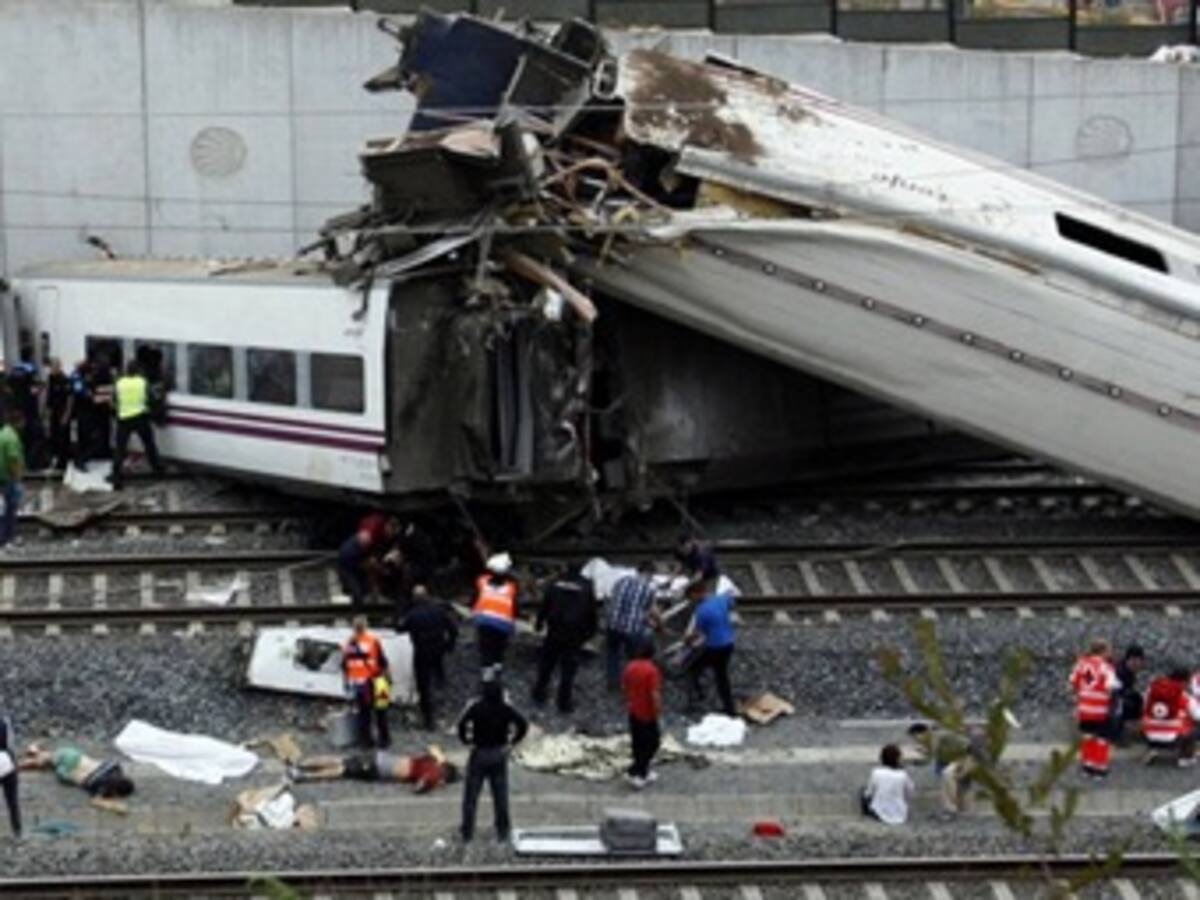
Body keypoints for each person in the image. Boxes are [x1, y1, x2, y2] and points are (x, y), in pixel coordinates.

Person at [457, 672, 529, 843]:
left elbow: (461, 724)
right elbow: (523, 724)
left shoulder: (477, 707)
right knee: (500, 795)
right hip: (498, 753)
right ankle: (502, 831)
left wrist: (467, 741)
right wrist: (511, 743)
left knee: (471, 796)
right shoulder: (505, 709)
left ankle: (467, 831)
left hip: (479, 753)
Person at [532, 562, 598, 714]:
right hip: (574, 634)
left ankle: (539, 693)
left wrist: (539, 623)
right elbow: (591, 611)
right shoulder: (586, 586)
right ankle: (564, 702)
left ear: (566, 568)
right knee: (568, 669)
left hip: (554, 630)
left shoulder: (555, 583)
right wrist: (590, 631)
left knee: (547, 664)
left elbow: (545, 604)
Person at [396, 585, 459, 731]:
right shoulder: (439, 611)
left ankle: (429, 719)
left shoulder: (413, 615)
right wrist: (449, 646)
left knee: (423, 686)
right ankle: (443, 707)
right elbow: (453, 630)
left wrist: (400, 613)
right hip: (438, 649)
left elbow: (399, 628)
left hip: (422, 651)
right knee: (438, 678)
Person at [289, 748, 459, 792]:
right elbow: (417, 789)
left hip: (380, 757)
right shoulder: (433, 777)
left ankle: (302, 764)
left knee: (340, 760)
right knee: (343, 770)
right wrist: (434, 785)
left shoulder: (432, 761)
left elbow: (431, 749)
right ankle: (304, 776)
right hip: (380, 769)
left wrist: (440, 758)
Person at [684, 577, 737, 717]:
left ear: (696, 593)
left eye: (691, 597)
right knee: (721, 675)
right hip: (729, 643)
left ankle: (697, 699)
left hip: (715, 647)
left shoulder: (701, 610)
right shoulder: (721, 599)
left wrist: (687, 640)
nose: (691, 601)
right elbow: (732, 602)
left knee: (693, 668)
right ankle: (729, 708)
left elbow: (698, 633)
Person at [1069, 638, 1120, 778]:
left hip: (1084, 708)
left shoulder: (1080, 664)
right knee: (1102, 738)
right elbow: (1111, 686)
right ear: (1103, 651)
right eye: (1109, 650)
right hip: (1100, 709)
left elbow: (1073, 682)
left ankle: (1087, 765)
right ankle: (1100, 766)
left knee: (1087, 736)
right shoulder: (1106, 667)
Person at [109, 361, 165, 490]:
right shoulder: (142, 382)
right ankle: (157, 469)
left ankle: (117, 477)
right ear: (138, 371)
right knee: (149, 445)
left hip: (124, 419)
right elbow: (151, 398)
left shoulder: (119, 383)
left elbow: (114, 401)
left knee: (120, 449)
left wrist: (119, 412)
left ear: (126, 371)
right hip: (141, 417)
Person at [606, 564, 659, 691]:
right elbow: (652, 612)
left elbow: (613, 600)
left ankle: (613, 682)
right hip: (632, 629)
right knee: (634, 657)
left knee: (613, 653)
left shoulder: (621, 581)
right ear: (649, 573)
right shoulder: (648, 589)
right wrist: (659, 625)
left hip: (613, 625)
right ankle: (631, 683)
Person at [342, 616, 391, 749]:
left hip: (360, 684)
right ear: (365, 626)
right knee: (381, 711)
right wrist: (388, 679)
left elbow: (345, 666)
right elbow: (383, 662)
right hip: (378, 680)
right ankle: (384, 740)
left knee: (364, 713)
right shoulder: (373, 641)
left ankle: (366, 741)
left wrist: (346, 684)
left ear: (353, 628)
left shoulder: (348, 644)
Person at [18, 743, 135, 798]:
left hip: (76, 756)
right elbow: (97, 798)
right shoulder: (98, 786)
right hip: (67, 770)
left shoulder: (113, 768)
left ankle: (34, 751)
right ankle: (24, 760)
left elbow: (114, 764)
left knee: (49, 758)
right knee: (43, 763)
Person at [335, 513, 400, 608]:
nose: (391, 536)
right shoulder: (370, 531)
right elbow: (365, 563)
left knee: (365, 587)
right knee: (357, 590)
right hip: (349, 563)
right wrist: (376, 566)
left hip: (362, 556)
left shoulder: (380, 535)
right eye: (391, 532)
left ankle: (368, 597)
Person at [622, 637, 662, 790]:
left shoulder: (630, 667)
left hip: (633, 710)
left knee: (638, 742)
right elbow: (654, 694)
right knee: (652, 743)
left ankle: (640, 770)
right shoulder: (652, 670)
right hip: (647, 713)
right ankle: (638, 772)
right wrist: (657, 710)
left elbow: (624, 686)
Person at [1142, 666, 1198, 767]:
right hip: (1174, 739)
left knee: (1150, 719)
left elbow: (1144, 706)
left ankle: (1152, 750)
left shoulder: (1151, 690)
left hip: (1148, 736)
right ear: (1184, 681)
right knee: (1194, 728)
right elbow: (1197, 715)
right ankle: (1185, 757)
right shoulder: (1184, 695)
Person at [471, 553, 519, 669]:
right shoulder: (511, 588)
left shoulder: (482, 582)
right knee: (499, 647)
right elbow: (515, 606)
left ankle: (487, 673)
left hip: (483, 620)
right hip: (504, 623)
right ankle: (497, 666)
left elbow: (474, 598)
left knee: (486, 649)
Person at [861, 744, 915, 825]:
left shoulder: (876, 772)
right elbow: (910, 792)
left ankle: (867, 812)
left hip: (879, 812)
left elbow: (869, 793)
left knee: (863, 791)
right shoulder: (903, 775)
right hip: (900, 814)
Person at [0, 409, 24, 548]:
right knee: (10, 510)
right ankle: (7, 538)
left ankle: (4, 538)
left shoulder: (3, 433)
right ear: (18, 422)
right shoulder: (12, 438)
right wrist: (17, 479)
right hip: (8, 478)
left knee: (2, 510)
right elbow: (13, 459)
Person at [44, 358, 71, 471]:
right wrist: (46, 413)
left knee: (63, 438)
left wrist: (66, 415)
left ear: (59, 367)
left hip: (62, 411)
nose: (52, 369)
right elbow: (48, 396)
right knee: (53, 436)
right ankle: (54, 459)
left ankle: (63, 462)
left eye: (54, 367)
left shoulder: (65, 380)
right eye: (51, 367)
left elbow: (70, 399)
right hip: (53, 411)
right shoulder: (50, 379)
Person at [1113, 644, 1146, 739]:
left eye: (1140, 662)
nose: (1138, 665)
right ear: (1129, 659)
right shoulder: (1119, 672)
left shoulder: (1128, 671)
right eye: (1135, 662)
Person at [0, 712, 20, 839]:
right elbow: (10, 744)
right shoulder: (5, 722)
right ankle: (17, 830)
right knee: (12, 800)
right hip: (7, 762)